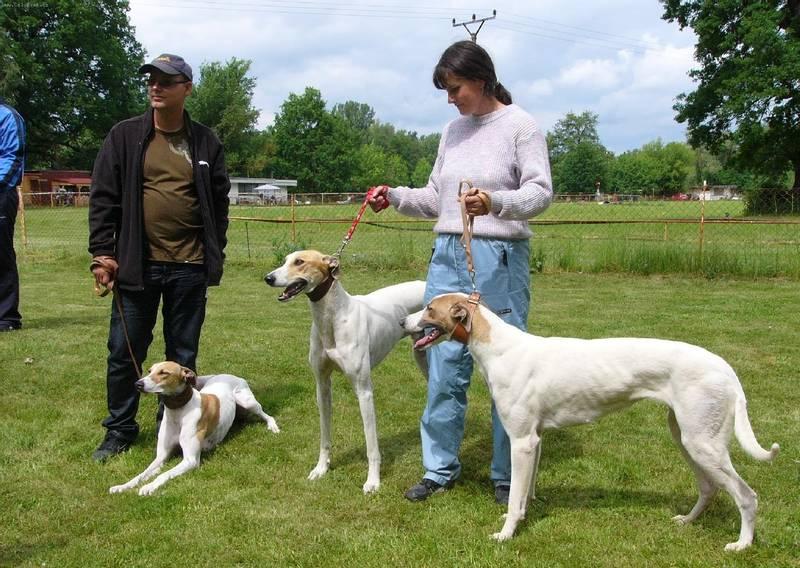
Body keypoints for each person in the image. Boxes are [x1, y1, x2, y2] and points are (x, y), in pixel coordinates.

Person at [369, 40, 553, 504]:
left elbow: (541, 193)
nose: (450, 98)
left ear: (482, 80)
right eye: (446, 91)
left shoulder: (521, 126)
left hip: (498, 257)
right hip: (447, 253)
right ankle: (439, 468)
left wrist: (496, 202)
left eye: (455, 88)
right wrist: (394, 196)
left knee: (504, 367)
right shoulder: (451, 131)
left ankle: (507, 475)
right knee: (442, 362)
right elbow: (436, 197)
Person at [89, 54, 230, 461]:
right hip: (137, 266)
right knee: (124, 350)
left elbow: (218, 204)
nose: (156, 86)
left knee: (182, 353)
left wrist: (212, 250)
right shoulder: (125, 136)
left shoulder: (206, 142)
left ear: (186, 88)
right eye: (151, 79)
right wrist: (103, 253)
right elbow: (103, 198)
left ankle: (174, 424)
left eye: (167, 81)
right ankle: (118, 430)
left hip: (190, 266)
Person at [0, 98, 25, 332]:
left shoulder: (7, 116)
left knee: (1, 254)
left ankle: (7, 317)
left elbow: (13, 157)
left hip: (1, 193)